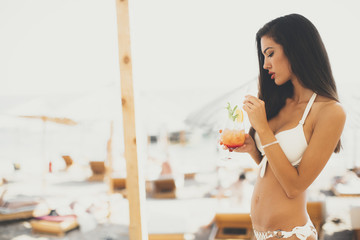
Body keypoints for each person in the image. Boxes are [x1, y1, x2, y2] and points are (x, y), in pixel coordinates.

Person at [228, 14, 346, 240]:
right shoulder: (280, 102)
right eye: (263, 56)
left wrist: (263, 129)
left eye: (270, 53)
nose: (265, 64)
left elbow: (294, 186)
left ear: (296, 49)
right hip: (262, 234)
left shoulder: (330, 111)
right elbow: (276, 172)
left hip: (291, 234)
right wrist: (254, 150)